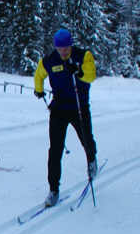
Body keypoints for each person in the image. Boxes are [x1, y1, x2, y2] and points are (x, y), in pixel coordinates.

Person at [34, 29, 98, 207]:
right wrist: (39, 90)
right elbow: (39, 75)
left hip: (79, 105)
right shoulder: (48, 61)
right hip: (59, 107)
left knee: (87, 140)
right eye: (60, 49)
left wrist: (78, 71)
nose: (63, 52)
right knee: (55, 150)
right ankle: (53, 189)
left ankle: (92, 159)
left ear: (71, 45)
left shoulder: (83, 56)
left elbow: (91, 75)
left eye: (66, 48)